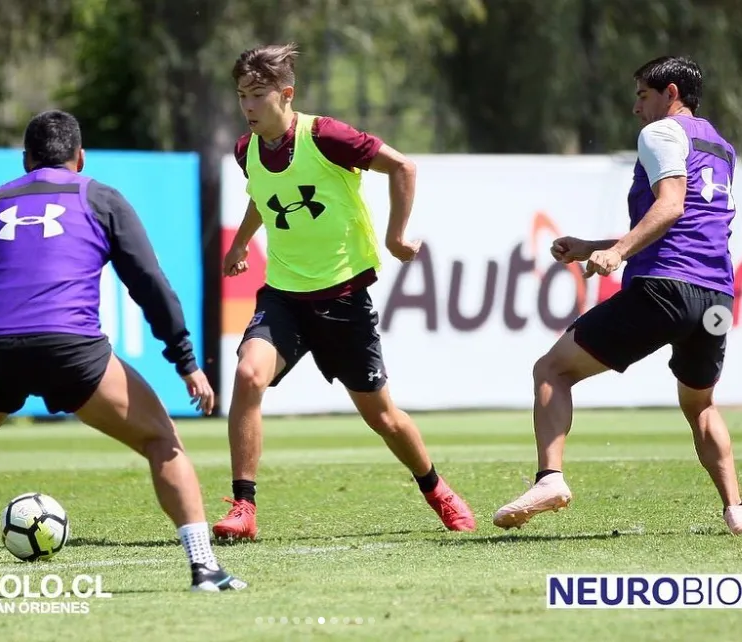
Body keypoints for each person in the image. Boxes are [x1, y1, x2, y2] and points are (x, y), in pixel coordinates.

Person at [0, 110, 246, 595]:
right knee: (163, 442)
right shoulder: (99, 197)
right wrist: (185, 361)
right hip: (72, 351)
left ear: (25, 159)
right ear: (80, 157)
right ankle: (205, 568)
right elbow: (150, 284)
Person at [212, 43, 476, 542]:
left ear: (286, 95)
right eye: (241, 96)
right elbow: (263, 198)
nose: (247, 106)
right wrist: (242, 242)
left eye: (257, 95)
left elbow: (404, 168)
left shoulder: (326, 136)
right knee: (248, 375)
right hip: (283, 295)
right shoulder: (246, 151)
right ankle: (243, 506)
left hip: (342, 298)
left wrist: (397, 237)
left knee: (384, 418)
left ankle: (436, 489)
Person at [493, 56, 742, 535]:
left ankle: (550, 479)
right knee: (701, 405)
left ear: (671, 94)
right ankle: (735, 510)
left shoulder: (661, 134)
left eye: (642, 95)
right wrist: (593, 246)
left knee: (552, 369)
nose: (636, 108)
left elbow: (670, 208)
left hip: (665, 288)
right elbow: (688, 223)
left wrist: (618, 253)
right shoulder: (722, 146)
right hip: (714, 298)